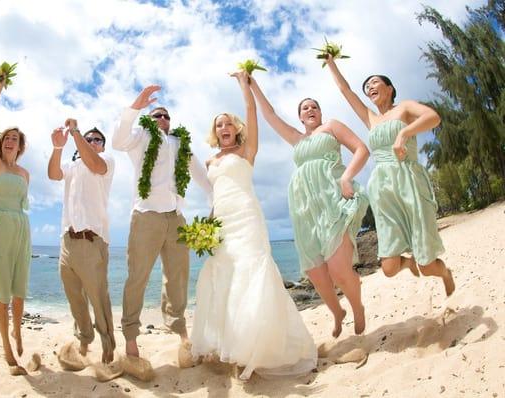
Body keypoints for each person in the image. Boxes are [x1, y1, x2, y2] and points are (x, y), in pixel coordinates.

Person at [190, 70, 317, 380]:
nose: (224, 128)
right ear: (215, 131)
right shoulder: (210, 162)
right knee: (226, 278)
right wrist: (207, 227)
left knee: (252, 274)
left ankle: (258, 349)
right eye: (219, 125)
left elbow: (252, 112)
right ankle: (235, 347)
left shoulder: (248, 151)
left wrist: (244, 84)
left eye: (229, 123)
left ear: (236, 129)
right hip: (222, 223)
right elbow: (215, 195)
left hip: (247, 218)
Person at [248, 75, 370, 337]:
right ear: (300, 118)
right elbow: (269, 115)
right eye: (305, 108)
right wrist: (252, 83)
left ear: (320, 112)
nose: (310, 110)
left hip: (334, 201)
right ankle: (337, 312)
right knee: (315, 272)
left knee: (338, 269)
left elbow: (361, 149)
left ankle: (357, 308)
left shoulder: (332, 127)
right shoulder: (296, 139)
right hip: (306, 210)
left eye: (314, 106)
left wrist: (347, 177)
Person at [325, 55, 455, 296]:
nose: (369, 88)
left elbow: (433, 117)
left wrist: (404, 133)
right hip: (382, 189)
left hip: (409, 181)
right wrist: (330, 61)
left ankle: (445, 273)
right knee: (389, 267)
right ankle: (406, 262)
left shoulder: (404, 108)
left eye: (374, 82)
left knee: (427, 266)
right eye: (367, 87)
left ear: (390, 88)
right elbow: (345, 90)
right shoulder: (370, 117)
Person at [112, 86, 212, 377]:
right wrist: (135, 107)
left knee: (179, 275)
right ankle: (131, 342)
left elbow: (201, 176)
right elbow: (118, 139)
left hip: (176, 216)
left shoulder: (181, 143)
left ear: (170, 121)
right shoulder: (141, 137)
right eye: (156, 114)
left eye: (165, 115)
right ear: (149, 118)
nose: (161, 118)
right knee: (137, 277)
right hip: (146, 215)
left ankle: (182, 336)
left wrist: (214, 202)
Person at [48, 119, 116, 365]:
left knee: (98, 297)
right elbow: (53, 174)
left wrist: (76, 131)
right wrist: (57, 148)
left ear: (103, 146)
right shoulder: (72, 165)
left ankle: (108, 344)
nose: (93, 142)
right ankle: (84, 341)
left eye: (97, 139)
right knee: (74, 296)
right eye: (89, 139)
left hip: (92, 240)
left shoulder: (106, 162)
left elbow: (95, 164)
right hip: (68, 240)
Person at [0, 80, 31, 375]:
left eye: (16, 138)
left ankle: (18, 330)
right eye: (7, 137)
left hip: (22, 230)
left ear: (20, 146)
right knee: (2, 293)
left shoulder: (25, 172)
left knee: (19, 291)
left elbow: (23, 206)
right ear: (1, 143)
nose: (10, 141)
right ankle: (6, 348)